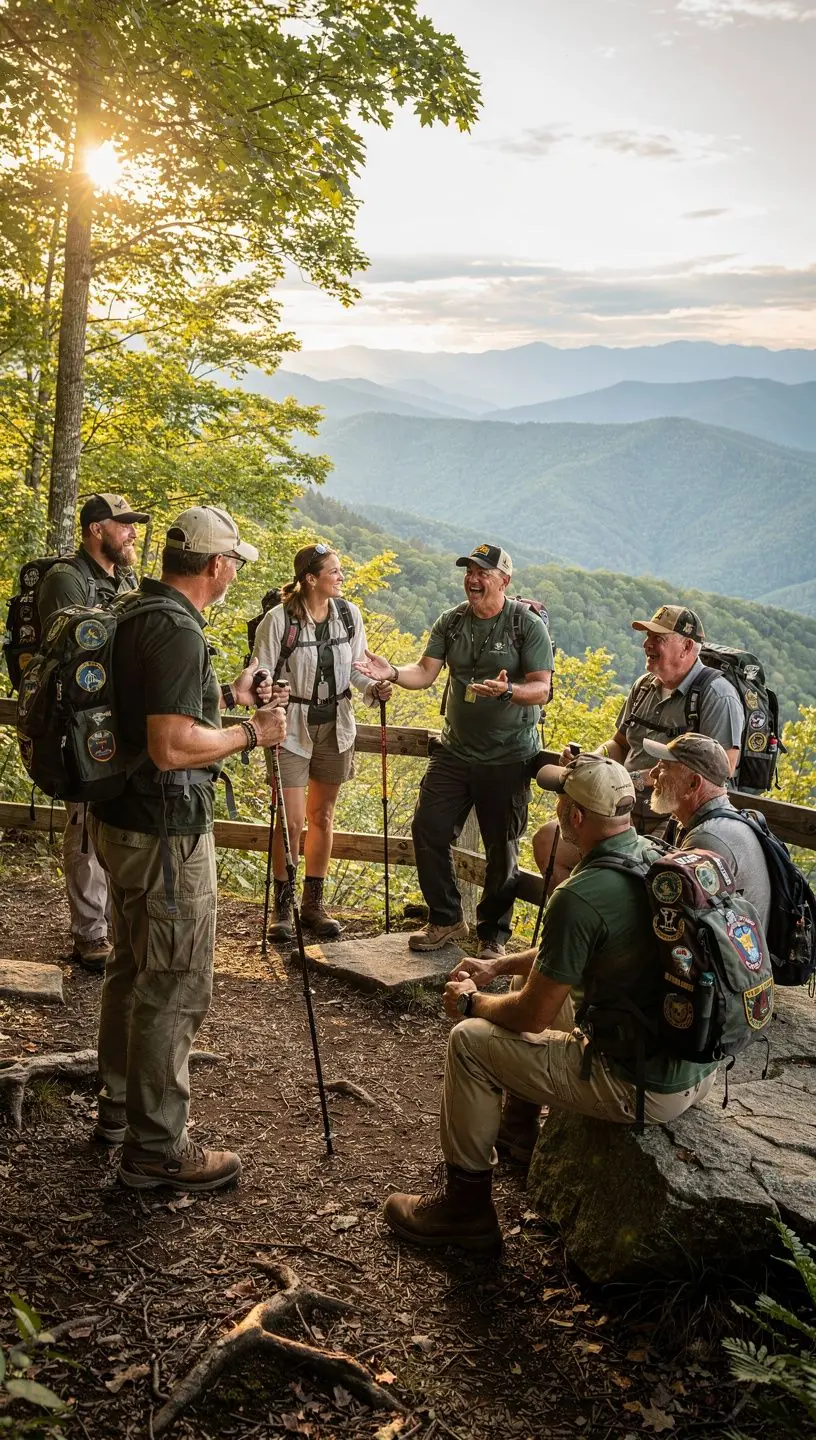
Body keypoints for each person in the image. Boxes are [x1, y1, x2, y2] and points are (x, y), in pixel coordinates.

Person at [382, 755, 718, 1251]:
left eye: (561, 798)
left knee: (469, 1044)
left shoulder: (580, 893)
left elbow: (529, 1014)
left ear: (576, 817)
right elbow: (577, 949)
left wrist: (474, 1003)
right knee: (555, 1003)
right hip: (694, 1066)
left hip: (641, 1085)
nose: (557, 806)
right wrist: (498, 967)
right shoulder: (653, 855)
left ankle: (465, 1209)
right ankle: (519, 1131)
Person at [87, 506, 287, 1193]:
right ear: (215, 566)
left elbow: (158, 720)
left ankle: (119, 1110)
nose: (234, 571)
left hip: (121, 820)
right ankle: (157, 1147)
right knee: (173, 982)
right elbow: (173, 748)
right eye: (234, 561)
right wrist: (251, 733)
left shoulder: (137, 610)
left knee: (131, 963)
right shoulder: (176, 633)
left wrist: (229, 700)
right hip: (163, 833)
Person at [358, 544, 553, 958]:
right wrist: (391, 670)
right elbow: (425, 672)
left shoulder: (526, 625)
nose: (473, 578)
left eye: (483, 572)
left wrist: (509, 691)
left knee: (501, 847)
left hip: (509, 755)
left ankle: (492, 937)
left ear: (504, 580)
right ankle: (446, 918)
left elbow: (542, 688)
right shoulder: (451, 622)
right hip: (454, 751)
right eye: (469, 571)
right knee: (428, 828)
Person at [533, 603, 745, 895]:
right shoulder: (644, 686)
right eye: (647, 637)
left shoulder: (717, 696)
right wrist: (593, 762)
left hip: (672, 820)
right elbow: (620, 744)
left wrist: (641, 778)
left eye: (658, 638)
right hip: (620, 810)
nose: (647, 644)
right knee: (549, 842)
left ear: (686, 646)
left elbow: (724, 768)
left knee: (649, 886)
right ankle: (577, 929)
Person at [251, 543, 390, 941]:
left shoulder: (349, 616)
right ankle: (283, 906)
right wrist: (266, 696)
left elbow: (358, 671)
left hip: (336, 725)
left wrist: (375, 687)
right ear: (310, 579)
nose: (341, 576)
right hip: (290, 726)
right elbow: (261, 671)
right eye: (334, 571)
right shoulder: (279, 620)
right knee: (291, 821)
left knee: (322, 817)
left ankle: (313, 904)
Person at [37, 492, 150, 973]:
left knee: (111, 820)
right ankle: (90, 933)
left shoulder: (121, 576)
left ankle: (111, 922)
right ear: (94, 529)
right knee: (84, 824)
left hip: (117, 716)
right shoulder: (67, 579)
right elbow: (71, 654)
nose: (130, 532)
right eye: (121, 524)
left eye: (131, 524)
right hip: (79, 721)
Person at [645, 733, 772, 930]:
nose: (652, 773)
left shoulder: (708, 840)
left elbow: (684, 923)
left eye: (663, 767)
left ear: (693, 784)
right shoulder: (721, 821)